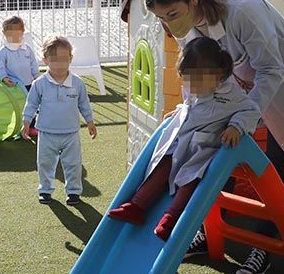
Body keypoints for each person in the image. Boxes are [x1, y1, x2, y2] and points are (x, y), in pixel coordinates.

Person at [145, 0, 284, 274]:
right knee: (217, 153)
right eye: (161, 18)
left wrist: (244, 117)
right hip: (239, 88)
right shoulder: (189, 23)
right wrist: (188, 110)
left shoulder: (242, 9)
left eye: (171, 15)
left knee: (274, 163)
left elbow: (271, 70)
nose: (167, 25)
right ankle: (209, 230)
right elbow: (198, 75)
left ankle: (265, 247)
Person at [108, 36, 259, 240]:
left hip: (202, 149)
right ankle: (137, 206)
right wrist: (179, 110)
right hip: (182, 141)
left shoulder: (231, 94)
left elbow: (251, 110)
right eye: (187, 78)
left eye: (198, 79)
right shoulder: (192, 86)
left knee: (191, 179)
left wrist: (236, 126)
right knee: (161, 166)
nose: (191, 84)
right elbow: (191, 106)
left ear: (218, 74)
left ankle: (171, 219)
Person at [21, 35, 97, 205]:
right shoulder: (39, 84)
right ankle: (45, 190)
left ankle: (73, 192)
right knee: (45, 164)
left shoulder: (77, 83)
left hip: (71, 133)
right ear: (45, 60)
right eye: (54, 60)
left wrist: (90, 121)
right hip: (47, 133)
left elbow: (84, 103)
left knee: (73, 165)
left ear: (71, 58)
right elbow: (31, 104)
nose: (60, 64)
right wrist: (26, 122)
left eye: (64, 59)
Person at [0, 15, 40, 90]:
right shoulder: (4, 52)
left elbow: (33, 63)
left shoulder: (27, 49)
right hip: (13, 85)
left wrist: (36, 76)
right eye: (10, 34)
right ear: (4, 33)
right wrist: (4, 77)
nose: (14, 37)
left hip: (29, 83)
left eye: (17, 34)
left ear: (22, 32)